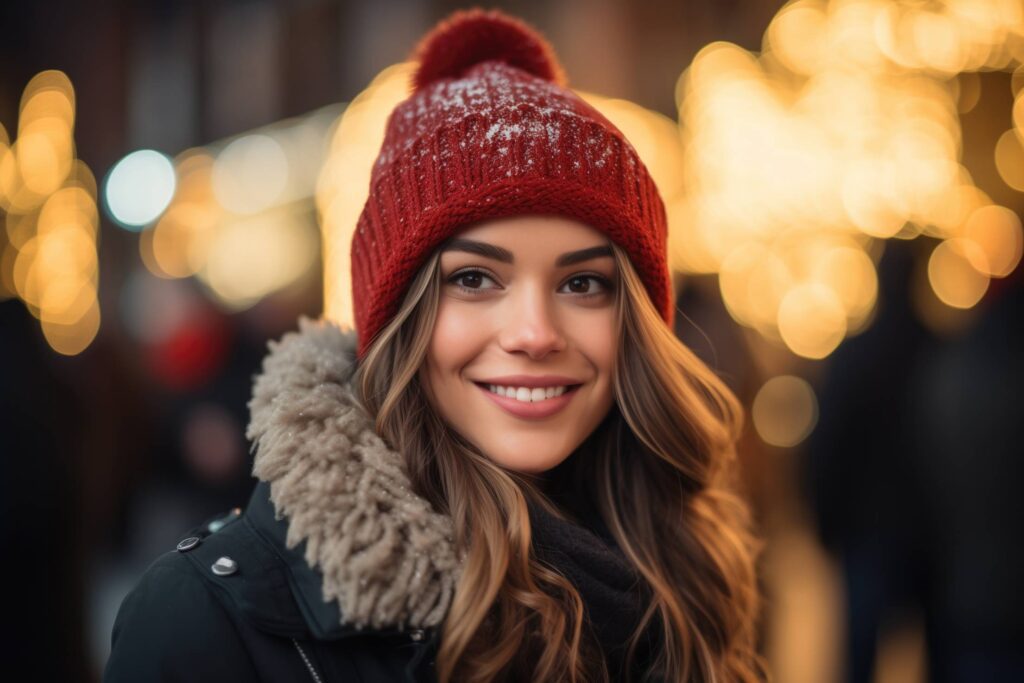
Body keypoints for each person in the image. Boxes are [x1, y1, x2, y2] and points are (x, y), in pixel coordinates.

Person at [104, 9, 766, 682]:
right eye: (475, 278)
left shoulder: (688, 571)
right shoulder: (201, 620)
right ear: (399, 320)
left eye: (584, 282)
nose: (535, 333)